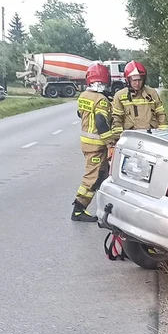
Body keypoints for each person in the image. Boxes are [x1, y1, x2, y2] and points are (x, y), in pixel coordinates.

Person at [71, 63, 115, 222]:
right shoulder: (101, 100)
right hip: (97, 146)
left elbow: (80, 114)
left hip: (87, 144)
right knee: (92, 177)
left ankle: (106, 206)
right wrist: (111, 142)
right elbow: (101, 122)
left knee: (103, 175)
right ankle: (78, 208)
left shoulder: (83, 96)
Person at [111, 61, 167, 133]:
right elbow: (117, 119)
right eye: (134, 80)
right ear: (128, 80)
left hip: (152, 134)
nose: (137, 83)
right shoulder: (120, 96)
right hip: (131, 136)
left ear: (144, 80)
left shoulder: (152, 93)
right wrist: (118, 138)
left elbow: (161, 115)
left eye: (140, 80)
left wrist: (164, 133)